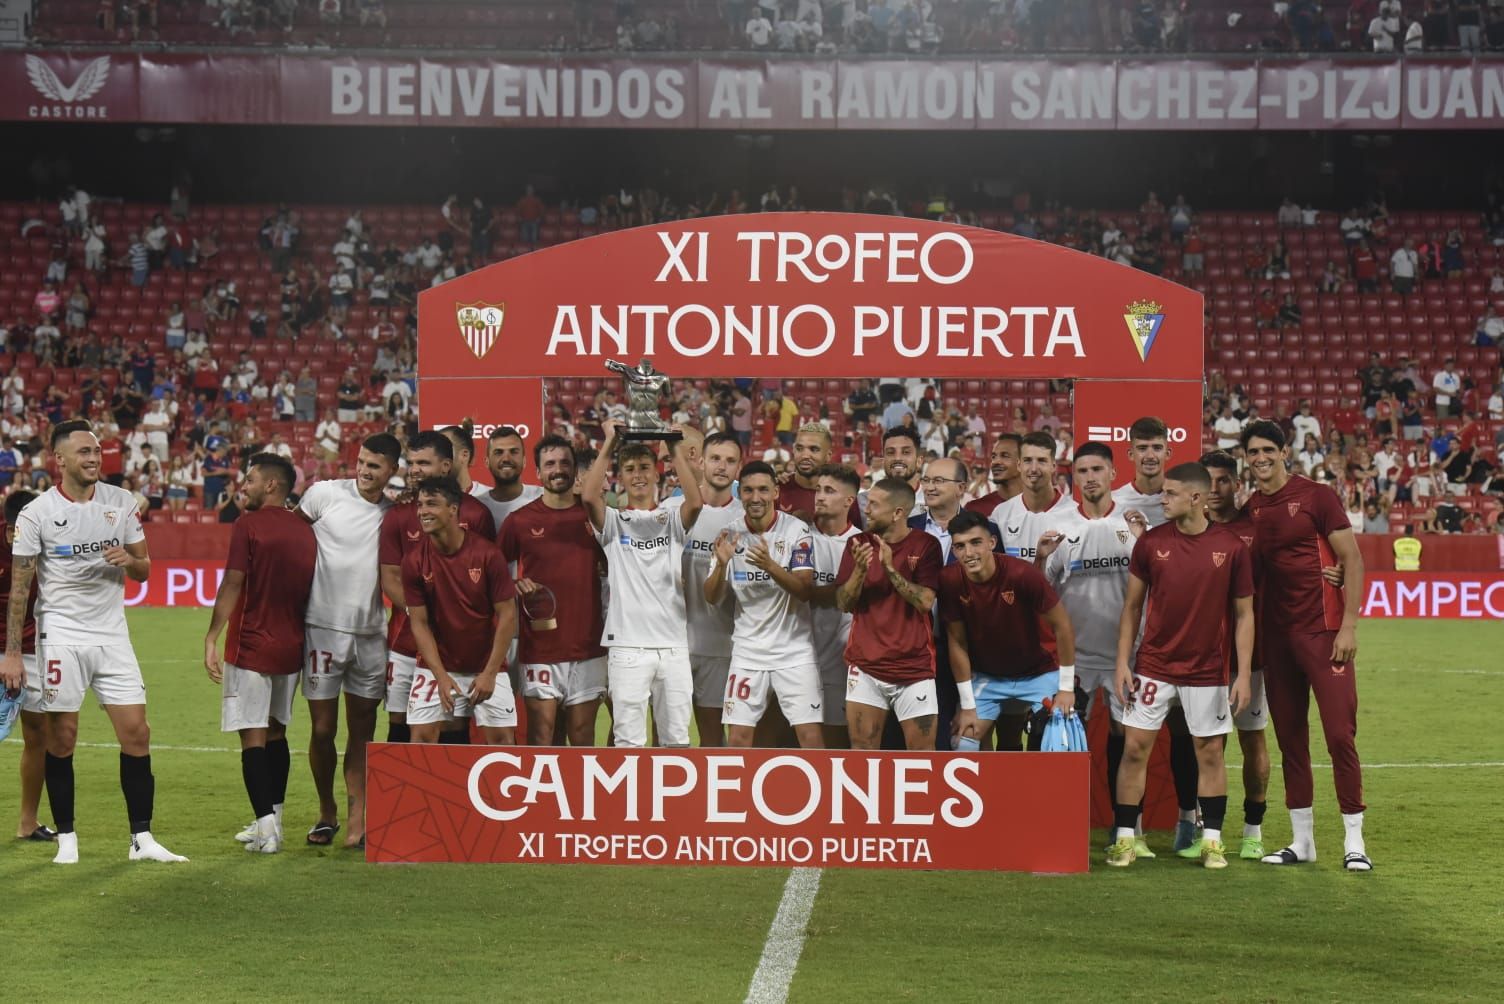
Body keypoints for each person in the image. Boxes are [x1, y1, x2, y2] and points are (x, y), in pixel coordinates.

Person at [1, 419, 186, 864]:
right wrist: (11, 652)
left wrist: (130, 560)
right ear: (58, 459)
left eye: (97, 451)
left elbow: (145, 568)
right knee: (61, 737)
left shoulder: (121, 502)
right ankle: (67, 837)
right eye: (83, 452)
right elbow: (21, 589)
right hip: (60, 633)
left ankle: (142, 839)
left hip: (112, 633)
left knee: (137, 733)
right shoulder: (36, 514)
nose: (93, 458)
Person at [1106, 462, 1255, 870]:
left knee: (1209, 753)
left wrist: (1241, 674)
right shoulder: (1152, 543)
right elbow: (1132, 607)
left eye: (1170, 493)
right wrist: (1123, 662)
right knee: (1135, 749)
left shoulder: (1232, 548)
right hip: (1153, 666)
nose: (1162, 498)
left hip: (1207, 671)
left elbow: (1244, 615)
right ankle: (1124, 839)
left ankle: (1212, 842)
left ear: (1196, 497)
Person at [1241, 420, 1371, 871]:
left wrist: (1349, 625)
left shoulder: (1317, 496)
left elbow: (1352, 559)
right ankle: (1303, 841)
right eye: (1252, 451)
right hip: (1276, 640)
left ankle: (1355, 842)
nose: (1259, 458)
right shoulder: (1252, 508)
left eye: (1266, 450)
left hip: (1323, 633)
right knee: (1290, 740)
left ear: (1283, 452)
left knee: (1339, 736)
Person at [1037, 443, 1151, 853]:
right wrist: (1039, 559)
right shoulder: (1058, 521)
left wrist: (1143, 542)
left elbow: (1153, 583)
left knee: (1128, 738)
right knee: (1066, 737)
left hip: (1128, 655)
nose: (1089, 477)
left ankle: (1129, 828)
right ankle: (1065, 825)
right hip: (1076, 658)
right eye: (1082, 470)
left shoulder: (1133, 521)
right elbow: (1041, 592)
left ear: (1112, 472)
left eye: (1097, 469)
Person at [203, 454, 316, 854]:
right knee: (277, 733)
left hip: (251, 644)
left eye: (250, 479)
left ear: (271, 485)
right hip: (292, 647)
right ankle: (274, 820)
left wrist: (212, 636)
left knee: (252, 737)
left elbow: (233, 582)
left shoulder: (247, 525)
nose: (243, 486)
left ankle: (266, 831)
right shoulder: (306, 530)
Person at [297, 433, 399, 849]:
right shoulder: (323, 495)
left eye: (375, 466)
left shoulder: (395, 514)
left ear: (392, 471)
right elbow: (289, 539)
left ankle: (358, 818)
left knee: (363, 731)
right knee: (322, 729)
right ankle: (327, 811)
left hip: (372, 634)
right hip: (322, 628)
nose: (364, 470)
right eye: (361, 462)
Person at [1107, 414, 1203, 850]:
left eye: (1156, 447)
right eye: (1141, 448)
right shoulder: (1113, 504)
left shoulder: (1182, 500)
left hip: (1181, 639)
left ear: (1169, 451)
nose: (1149, 455)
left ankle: (1189, 817)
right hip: (1133, 640)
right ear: (1129, 454)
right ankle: (1129, 825)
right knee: (1124, 735)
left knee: (1186, 731)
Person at [582, 419, 702, 747]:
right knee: (629, 742)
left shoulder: (671, 518)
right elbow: (589, 498)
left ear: (656, 474)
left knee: (676, 740)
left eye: (645, 467)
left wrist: (673, 443)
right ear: (619, 478)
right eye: (630, 468)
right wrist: (609, 442)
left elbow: (695, 503)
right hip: (628, 647)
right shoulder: (615, 523)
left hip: (674, 645)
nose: (638, 475)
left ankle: (673, 800)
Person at [378, 432, 495, 747]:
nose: (414, 470)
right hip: (405, 642)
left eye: (423, 463)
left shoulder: (476, 514)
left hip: (458, 648)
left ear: (446, 466)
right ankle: (400, 797)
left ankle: (451, 796)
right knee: (399, 723)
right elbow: (389, 577)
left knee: (453, 724)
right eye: (411, 462)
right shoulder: (398, 515)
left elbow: (484, 580)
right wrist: (423, 615)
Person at [499, 436, 608, 747]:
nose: (558, 470)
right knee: (542, 736)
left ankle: (580, 797)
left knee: (583, 737)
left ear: (575, 471)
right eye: (550, 464)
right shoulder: (519, 521)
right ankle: (540, 798)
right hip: (541, 647)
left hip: (588, 646)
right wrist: (513, 585)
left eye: (565, 463)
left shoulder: (595, 517)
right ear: (537, 473)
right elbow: (492, 578)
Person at [705, 461, 823, 748]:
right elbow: (712, 597)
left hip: (794, 652)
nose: (755, 497)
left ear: (775, 492)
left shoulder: (796, 531)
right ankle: (735, 794)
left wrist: (770, 566)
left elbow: (805, 590)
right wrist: (721, 566)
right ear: (740, 493)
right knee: (738, 739)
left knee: (810, 737)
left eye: (762, 490)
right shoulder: (729, 534)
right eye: (747, 490)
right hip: (748, 652)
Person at [943, 510, 1078, 753]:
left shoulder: (1022, 574)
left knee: (1062, 741)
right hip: (988, 677)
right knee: (962, 742)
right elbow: (957, 642)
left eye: (976, 543)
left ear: (992, 543)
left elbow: (1063, 626)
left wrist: (1066, 689)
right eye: (960, 546)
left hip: (1039, 674)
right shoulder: (950, 581)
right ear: (953, 551)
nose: (969, 553)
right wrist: (966, 704)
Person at [402, 477, 518, 744]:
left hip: (486, 665)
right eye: (420, 505)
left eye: (432, 504)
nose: (422, 511)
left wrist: (489, 673)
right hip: (437, 666)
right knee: (420, 742)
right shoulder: (414, 561)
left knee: (503, 747)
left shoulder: (487, 554)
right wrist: (440, 677)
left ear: (453, 509)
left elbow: (508, 615)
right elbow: (419, 624)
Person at [835, 477, 944, 750]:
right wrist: (859, 571)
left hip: (914, 667)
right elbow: (844, 603)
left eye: (873, 504)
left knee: (922, 754)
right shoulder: (857, 543)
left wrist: (889, 568)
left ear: (898, 513)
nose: (866, 509)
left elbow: (925, 602)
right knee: (862, 752)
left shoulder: (926, 545)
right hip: (866, 666)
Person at [1202, 450, 1273, 861]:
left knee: (1251, 738)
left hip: (1249, 656)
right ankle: (1202, 827)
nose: (1215, 489)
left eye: (1223, 480)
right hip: (1198, 657)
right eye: (1208, 481)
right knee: (1204, 743)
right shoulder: (1188, 529)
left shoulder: (1255, 530)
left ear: (1236, 484)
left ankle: (1253, 829)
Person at [678, 431, 744, 747]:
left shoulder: (745, 518)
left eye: (730, 461)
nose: (722, 466)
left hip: (721, 645)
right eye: (715, 458)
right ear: (701, 461)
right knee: (667, 736)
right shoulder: (673, 507)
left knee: (713, 739)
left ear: (738, 469)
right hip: (672, 644)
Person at [3, 489, 54, 843]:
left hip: (33, 648)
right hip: (8, 650)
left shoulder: (47, 546)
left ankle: (27, 821)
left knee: (38, 735)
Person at [807, 464, 863, 748]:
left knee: (836, 743)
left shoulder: (862, 545)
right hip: (795, 658)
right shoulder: (798, 534)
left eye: (829, 491)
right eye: (818, 489)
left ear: (849, 501)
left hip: (839, 662)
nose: (820, 496)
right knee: (783, 739)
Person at [990, 431, 1075, 560]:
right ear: (1019, 465)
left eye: (1041, 461)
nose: (1034, 469)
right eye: (1027, 460)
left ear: (1053, 466)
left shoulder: (1074, 514)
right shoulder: (1001, 514)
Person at [476, 425, 543, 529]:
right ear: (487, 462)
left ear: (524, 461)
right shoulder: (477, 507)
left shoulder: (543, 498)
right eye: (498, 452)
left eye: (513, 452)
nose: (506, 458)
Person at [963, 433, 1023, 517]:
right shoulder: (975, 509)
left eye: (1005, 456)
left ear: (1023, 462)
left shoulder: (1041, 507)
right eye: (994, 457)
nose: (995, 462)